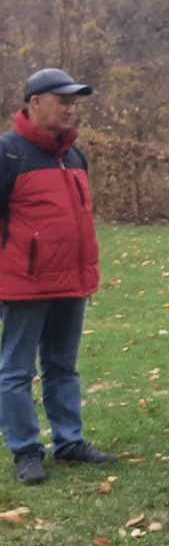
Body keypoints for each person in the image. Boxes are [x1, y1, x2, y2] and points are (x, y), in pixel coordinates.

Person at [0, 68, 113, 485]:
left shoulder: (74, 155)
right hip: (24, 284)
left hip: (71, 282)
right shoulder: (7, 152)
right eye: (62, 100)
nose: (70, 108)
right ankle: (26, 451)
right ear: (34, 103)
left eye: (73, 101)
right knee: (15, 371)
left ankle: (69, 442)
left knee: (63, 367)